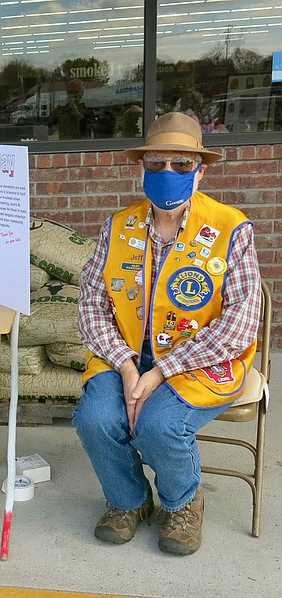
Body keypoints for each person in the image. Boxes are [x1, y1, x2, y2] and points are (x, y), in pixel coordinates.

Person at [74, 112, 261, 556]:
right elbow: (91, 306)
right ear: (141, 167)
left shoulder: (231, 228)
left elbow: (242, 321)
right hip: (125, 355)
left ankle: (182, 502)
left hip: (199, 361)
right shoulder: (117, 226)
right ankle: (128, 501)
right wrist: (125, 366)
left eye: (181, 165)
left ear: (201, 169)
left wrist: (158, 374)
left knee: (159, 424)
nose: (167, 174)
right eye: (156, 164)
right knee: (95, 418)